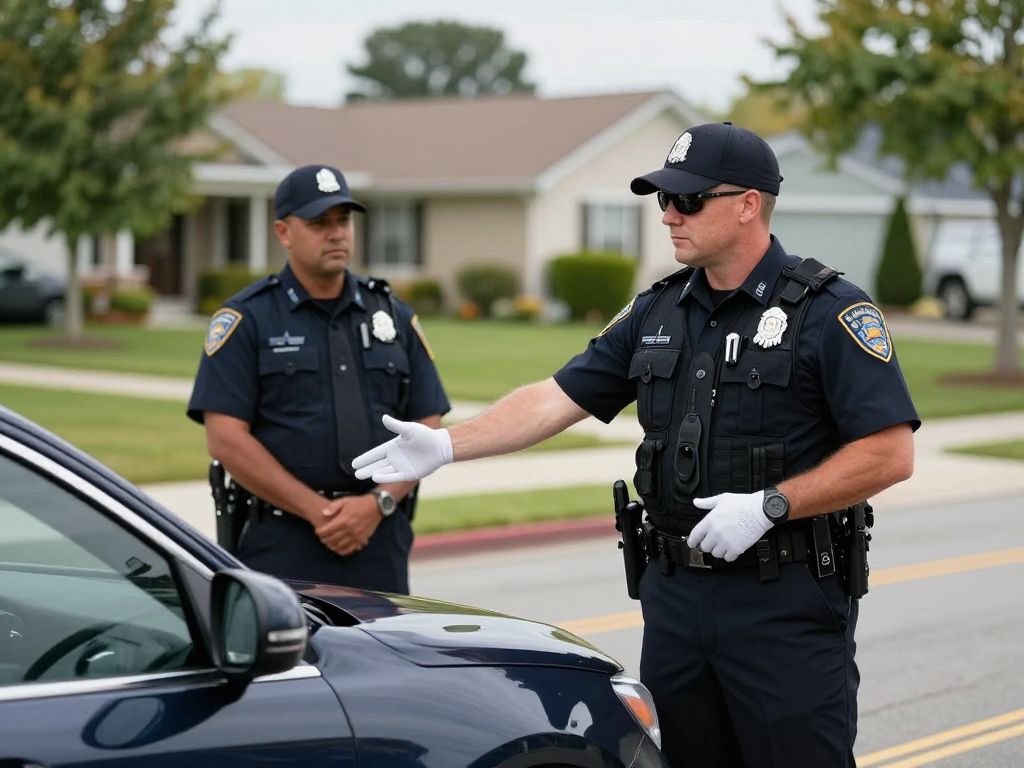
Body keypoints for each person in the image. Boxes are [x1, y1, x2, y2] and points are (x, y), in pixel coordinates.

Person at [352, 123, 919, 766]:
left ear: (748, 204)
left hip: (783, 603)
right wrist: (446, 445)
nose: (670, 216)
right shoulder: (657, 311)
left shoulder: (827, 311)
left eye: (688, 201)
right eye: (663, 201)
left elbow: (889, 451)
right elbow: (553, 398)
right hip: (676, 600)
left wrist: (771, 505)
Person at [187, 164, 449, 594]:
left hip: (377, 538)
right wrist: (319, 513)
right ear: (283, 232)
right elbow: (225, 437)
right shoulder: (248, 318)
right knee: (291, 661)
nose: (336, 233)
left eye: (343, 220)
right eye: (318, 223)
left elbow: (428, 422)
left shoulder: (392, 315)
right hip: (280, 542)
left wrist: (377, 503)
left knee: (384, 660)